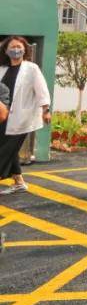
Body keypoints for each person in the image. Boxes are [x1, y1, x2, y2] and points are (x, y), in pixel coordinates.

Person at [0, 36, 51, 195]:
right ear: (6, 51)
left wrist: (46, 110)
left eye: (19, 46)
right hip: (3, 116)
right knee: (11, 150)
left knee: (4, 150)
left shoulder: (31, 68)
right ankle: (19, 182)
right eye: (12, 47)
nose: (16, 50)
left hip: (22, 117)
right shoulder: (2, 69)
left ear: (25, 49)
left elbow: (41, 89)